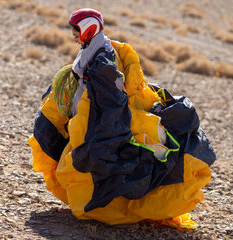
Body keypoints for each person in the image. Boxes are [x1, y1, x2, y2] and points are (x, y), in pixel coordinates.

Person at [28, 8, 216, 230]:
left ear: (90, 28)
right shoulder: (94, 50)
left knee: (100, 161)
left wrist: (108, 133)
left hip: (99, 119)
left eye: (77, 29)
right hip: (89, 117)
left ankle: (104, 204)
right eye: (72, 29)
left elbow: (112, 99)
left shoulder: (103, 59)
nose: (73, 34)